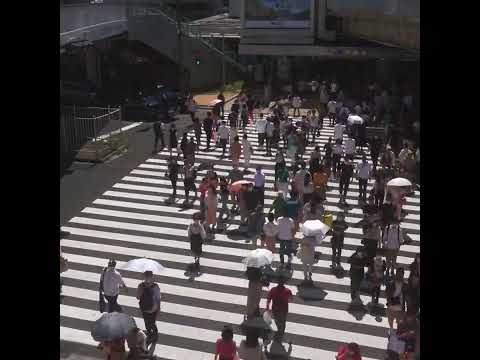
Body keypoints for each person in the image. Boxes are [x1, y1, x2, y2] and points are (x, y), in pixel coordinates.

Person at [136, 271, 161, 342]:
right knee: (152, 322)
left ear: (144, 277)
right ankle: (155, 336)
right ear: (152, 277)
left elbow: (137, 297)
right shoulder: (155, 286)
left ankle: (149, 335)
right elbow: (158, 298)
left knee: (147, 323)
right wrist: (159, 309)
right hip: (153, 308)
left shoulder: (141, 285)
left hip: (144, 309)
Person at [266, 276, 293, 341]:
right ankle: (281, 333)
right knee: (283, 322)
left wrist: (267, 306)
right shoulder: (287, 291)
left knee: (277, 321)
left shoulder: (273, 290)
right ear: (284, 283)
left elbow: (269, 298)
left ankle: (279, 332)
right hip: (284, 310)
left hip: (275, 309)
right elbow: (291, 299)